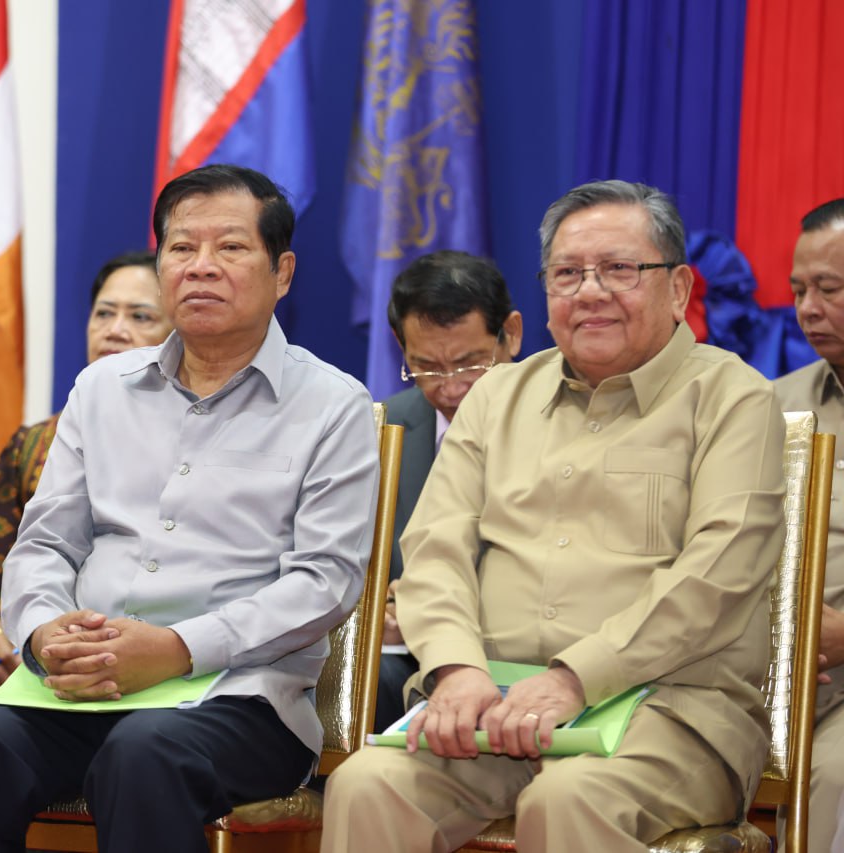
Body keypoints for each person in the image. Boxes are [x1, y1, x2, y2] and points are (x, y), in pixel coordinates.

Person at [0, 164, 380, 852]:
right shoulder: (100, 389)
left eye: (230, 247)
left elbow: (325, 581)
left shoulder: (332, 405)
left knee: (144, 754)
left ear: (282, 273)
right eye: (182, 247)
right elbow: (44, 544)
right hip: (82, 688)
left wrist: (177, 648)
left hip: (237, 695)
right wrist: (44, 633)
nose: (201, 266)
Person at [322, 179, 786, 852]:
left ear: (679, 288)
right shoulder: (497, 395)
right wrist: (455, 669)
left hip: (669, 711)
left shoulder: (734, 399)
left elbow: (716, 578)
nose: (590, 292)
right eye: (567, 274)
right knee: (367, 784)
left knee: (568, 798)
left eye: (619, 269)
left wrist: (574, 678)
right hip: (493, 705)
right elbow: (434, 550)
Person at [0, 250, 172, 691]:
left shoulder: (192, 445)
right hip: (41, 663)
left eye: (140, 316)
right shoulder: (32, 445)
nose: (115, 330)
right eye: (104, 313)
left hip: (157, 666)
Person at [376, 250, 522, 728]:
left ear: (511, 334)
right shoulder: (383, 428)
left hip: (524, 659)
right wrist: (381, 609)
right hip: (414, 660)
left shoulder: (563, 422)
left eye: (470, 364)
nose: (452, 388)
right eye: (427, 367)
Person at [774, 197, 844, 852]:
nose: (808, 309)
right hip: (773, 673)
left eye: (829, 288)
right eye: (799, 290)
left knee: (831, 778)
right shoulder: (777, 405)